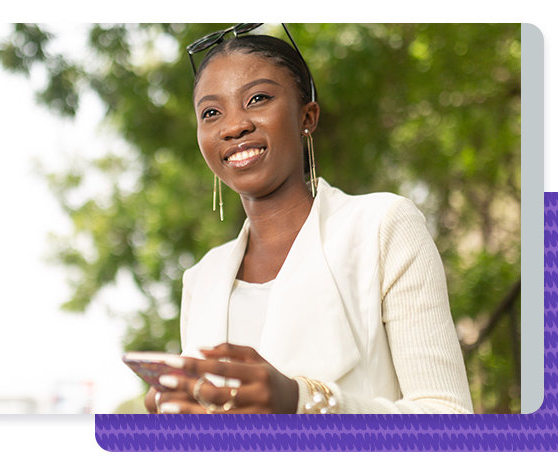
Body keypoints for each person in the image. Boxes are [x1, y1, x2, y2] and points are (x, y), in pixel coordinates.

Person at [143, 24, 472, 414]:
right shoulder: (202, 278)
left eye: (258, 98)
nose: (234, 127)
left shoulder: (383, 226)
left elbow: (448, 418)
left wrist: (301, 401)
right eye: (211, 112)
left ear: (307, 117)